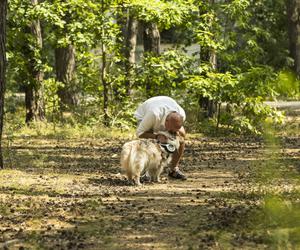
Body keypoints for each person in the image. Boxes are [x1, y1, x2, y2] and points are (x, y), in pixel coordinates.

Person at [134, 96, 187, 180]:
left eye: (174, 130)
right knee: (148, 141)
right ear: (166, 121)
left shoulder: (181, 114)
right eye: (171, 130)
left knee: (181, 138)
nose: (171, 132)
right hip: (146, 115)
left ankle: (173, 169)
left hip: (165, 105)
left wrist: (175, 135)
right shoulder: (153, 114)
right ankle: (144, 171)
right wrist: (156, 136)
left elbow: (178, 131)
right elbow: (139, 133)